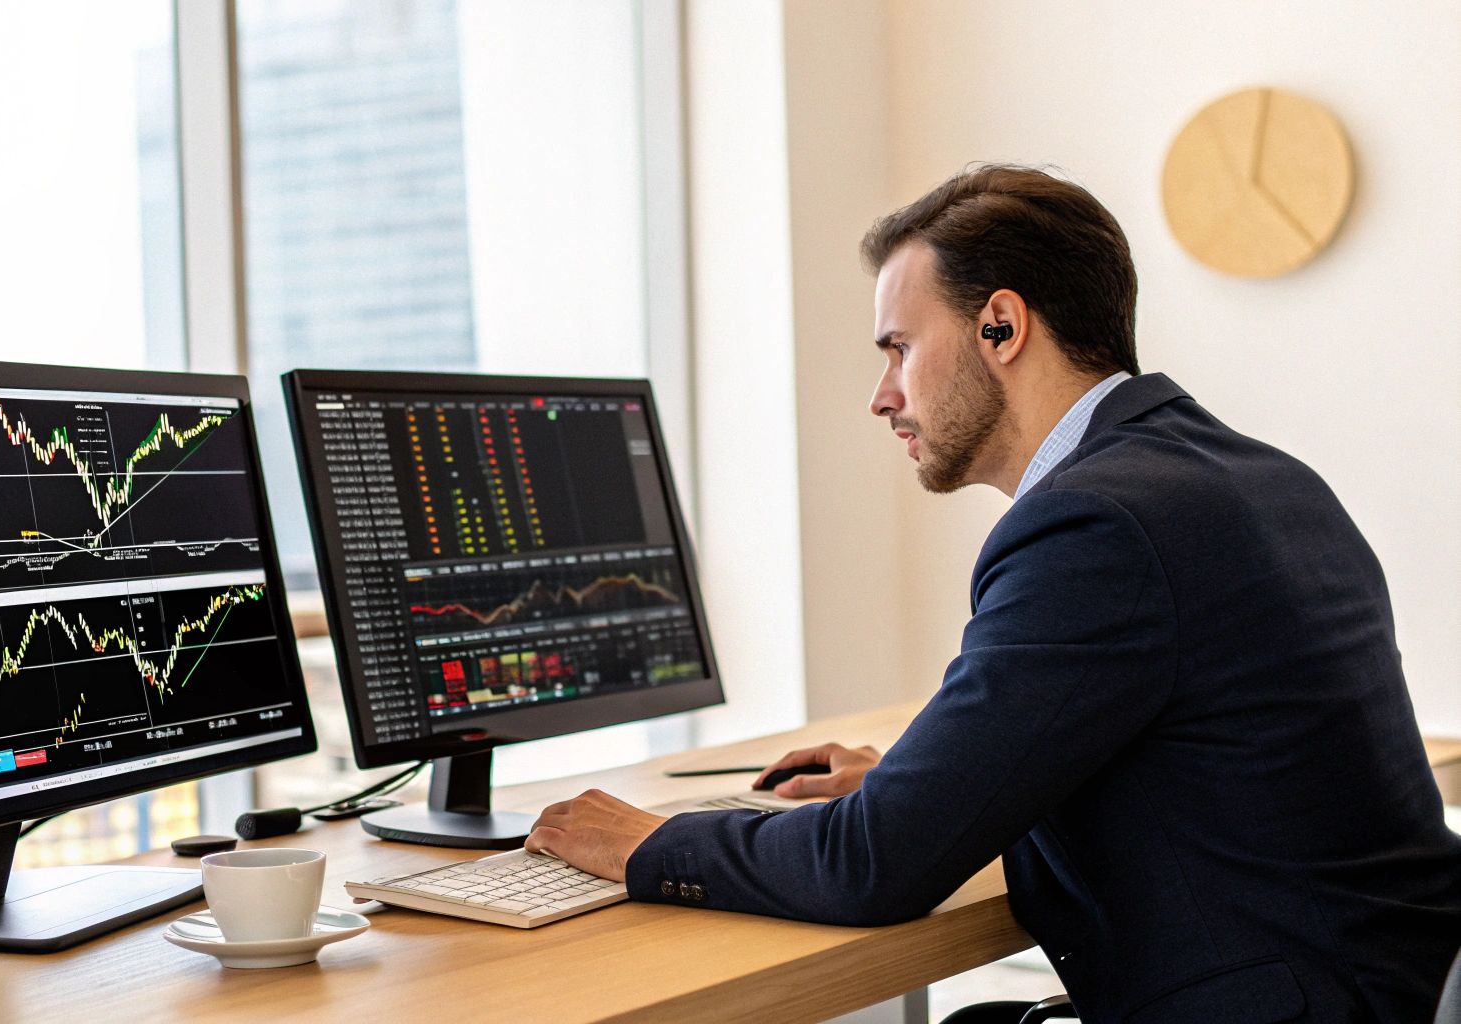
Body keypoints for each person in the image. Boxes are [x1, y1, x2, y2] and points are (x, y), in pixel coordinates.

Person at [526, 165, 1461, 1022]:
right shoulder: (1250, 476)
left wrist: (647, 845)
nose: (881, 397)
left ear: (1001, 327)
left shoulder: (1095, 526)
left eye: (898, 348)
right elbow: (1179, 759)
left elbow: (872, 868)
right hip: (1379, 983)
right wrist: (918, 784)